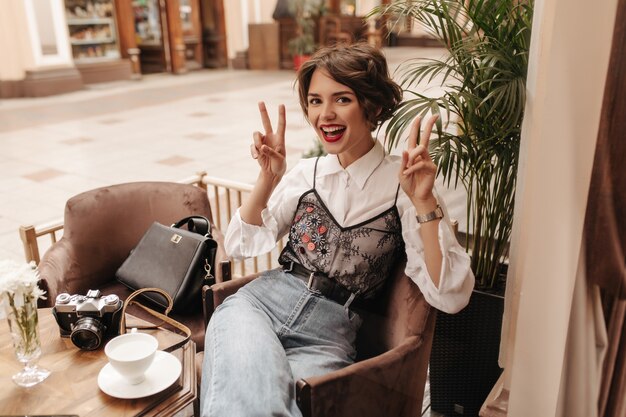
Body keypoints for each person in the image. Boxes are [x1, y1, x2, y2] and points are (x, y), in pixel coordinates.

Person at [200, 43, 474, 417]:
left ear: (372, 107)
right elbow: (239, 243)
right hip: (259, 306)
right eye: (314, 101)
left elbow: (450, 295)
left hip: (328, 336)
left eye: (341, 99)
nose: (324, 114)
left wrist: (425, 203)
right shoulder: (304, 174)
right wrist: (267, 177)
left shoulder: (405, 184)